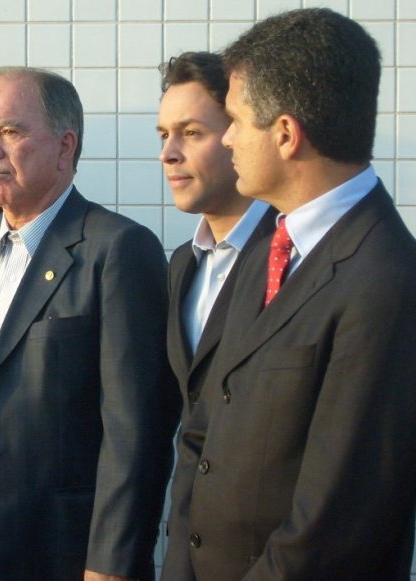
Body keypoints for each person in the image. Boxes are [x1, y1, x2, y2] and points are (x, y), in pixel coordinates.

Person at [0, 67, 179, 581]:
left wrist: (112, 559)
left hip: (58, 550)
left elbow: (136, 428)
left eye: (11, 131)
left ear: (65, 147)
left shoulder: (116, 249)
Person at [165, 8, 416, 580]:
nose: (226, 138)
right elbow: (202, 434)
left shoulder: (384, 280)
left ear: (284, 133)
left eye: (233, 120)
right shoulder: (269, 247)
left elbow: (336, 521)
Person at [155, 52, 275, 580]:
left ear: (237, 136)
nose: (168, 153)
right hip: (187, 554)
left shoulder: (294, 258)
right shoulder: (182, 264)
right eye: (163, 134)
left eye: (191, 133)